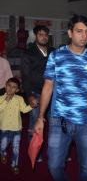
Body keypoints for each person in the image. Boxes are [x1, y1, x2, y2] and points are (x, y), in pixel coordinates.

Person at [34, 14, 87, 181]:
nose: (84, 35)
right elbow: (48, 87)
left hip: (86, 122)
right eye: (79, 31)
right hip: (59, 120)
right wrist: (40, 117)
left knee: (86, 167)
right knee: (54, 165)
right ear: (70, 33)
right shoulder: (56, 56)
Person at [21, 25, 54, 160]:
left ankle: (53, 152)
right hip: (36, 93)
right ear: (36, 36)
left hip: (53, 93)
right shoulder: (29, 53)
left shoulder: (53, 51)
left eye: (46, 35)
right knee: (35, 123)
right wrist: (29, 95)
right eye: (41, 34)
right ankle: (35, 152)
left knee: (54, 123)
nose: (44, 37)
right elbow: (25, 76)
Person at [0, 77, 36, 174]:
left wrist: (31, 106)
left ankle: (14, 165)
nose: (10, 89)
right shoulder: (1, 98)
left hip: (16, 129)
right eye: (9, 86)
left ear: (17, 90)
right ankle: (3, 153)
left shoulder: (19, 99)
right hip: (4, 129)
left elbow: (24, 109)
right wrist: (6, 101)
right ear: (5, 85)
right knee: (3, 146)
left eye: (14, 87)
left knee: (16, 149)